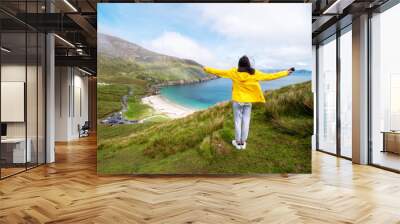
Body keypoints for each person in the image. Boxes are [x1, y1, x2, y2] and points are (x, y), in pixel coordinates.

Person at [203, 55, 294, 150]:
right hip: (248, 102)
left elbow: (218, 72)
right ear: (248, 64)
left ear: (239, 64)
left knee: (238, 122)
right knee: (246, 121)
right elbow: (270, 76)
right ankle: (243, 142)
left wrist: (206, 68)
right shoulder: (254, 73)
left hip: (237, 101)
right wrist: (286, 72)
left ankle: (237, 142)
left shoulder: (233, 72)